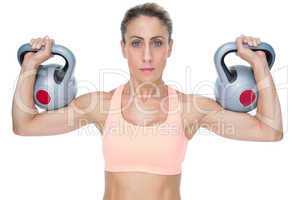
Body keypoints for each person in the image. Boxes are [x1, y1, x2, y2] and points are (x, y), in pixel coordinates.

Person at [12, 2, 283, 200]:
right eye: (136, 43)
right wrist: (29, 66)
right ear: (123, 48)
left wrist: (259, 64)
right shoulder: (100, 106)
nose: (146, 56)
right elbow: (25, 125)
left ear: (169, 48)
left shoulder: (190, 109)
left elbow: (269, 131)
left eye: (156, 42)